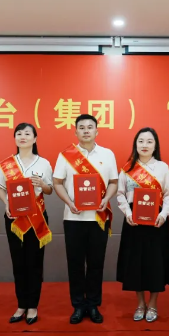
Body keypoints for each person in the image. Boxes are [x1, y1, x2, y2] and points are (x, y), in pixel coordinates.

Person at [53, 114, 118, 324]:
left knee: (96, 264)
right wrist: (69, 202)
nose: (86, 130)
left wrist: (106, 199)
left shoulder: (107, 154)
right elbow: (57, 182)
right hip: (73, 218)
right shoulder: (66, 155)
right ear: (76, 132)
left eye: (90, 127)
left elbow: (114, 182)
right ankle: (78, 306)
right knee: (75, 264)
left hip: (98, 217)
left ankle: (93, 305)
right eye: (82, 127)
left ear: (97, 131)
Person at [116, 127, 169, 322]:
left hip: (156, 222)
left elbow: (168, 195)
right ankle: (140, 303)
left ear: (155, 145)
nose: (144, 145)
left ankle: (153, 304)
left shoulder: (162, 167)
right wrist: (127, 213)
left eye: (149, 141)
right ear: (135, 144)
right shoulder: (127, 168)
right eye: (141, 141)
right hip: (134, 222)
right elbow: (120, 194)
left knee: (155, 264)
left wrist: (164, 214)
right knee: (136, 264)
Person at [0, 123, 53, 325]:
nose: (23, 136)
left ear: (35, 138)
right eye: (19, 133)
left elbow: (49, 190)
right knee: (18, 262)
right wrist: (6, 204)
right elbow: (0, 188)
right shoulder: (7, 164)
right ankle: (21, 304)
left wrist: (42, 184)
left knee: (35, 262)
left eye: (27, 133)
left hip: (37, 217)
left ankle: (32, 306)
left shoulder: (43, 163)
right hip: (14, 218)